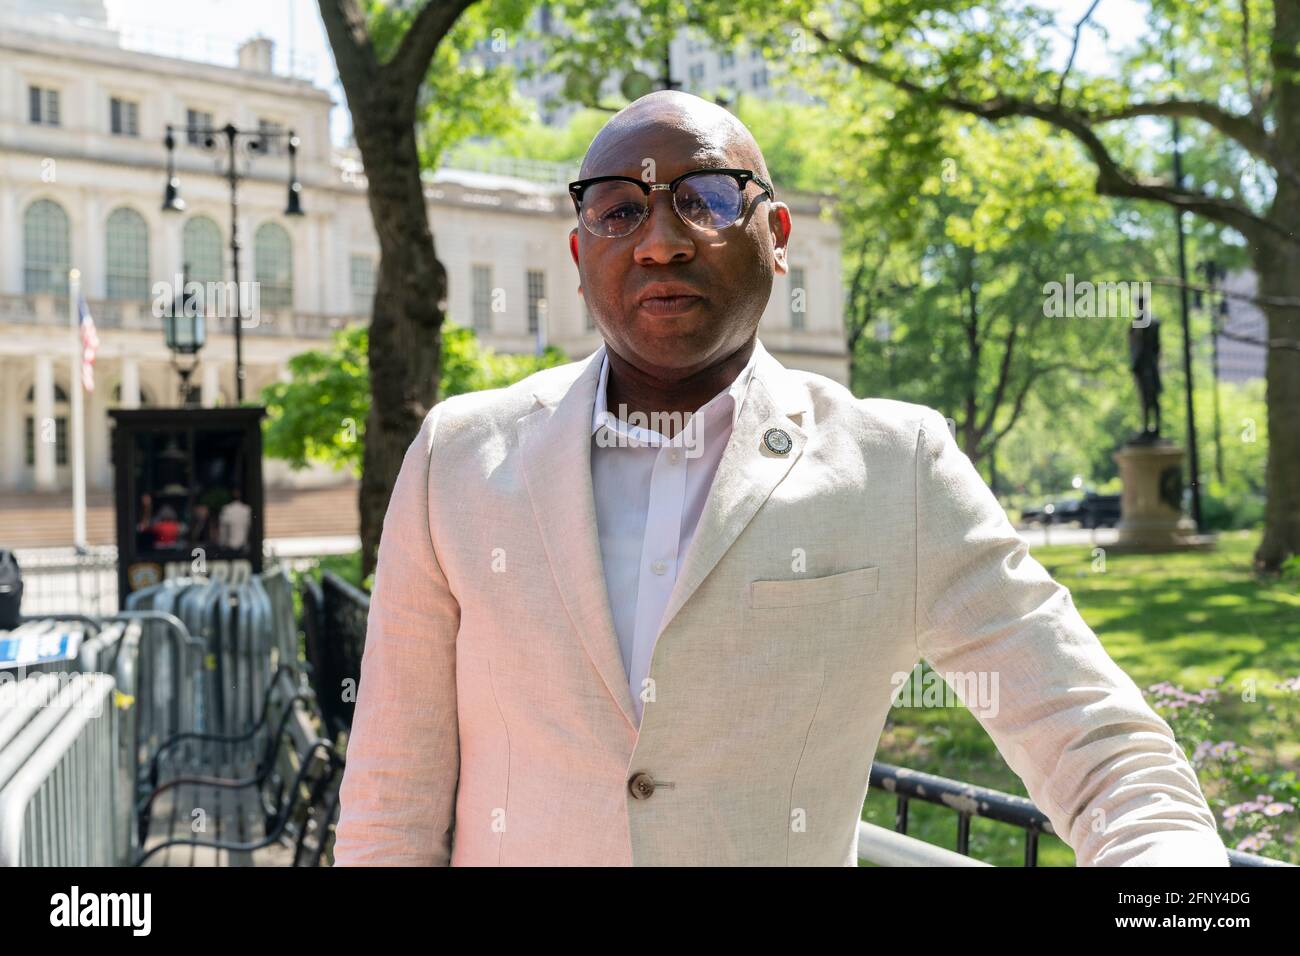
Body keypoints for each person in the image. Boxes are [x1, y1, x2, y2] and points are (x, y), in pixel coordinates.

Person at [334, 91, 1229, 867]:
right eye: (618, 211)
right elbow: (391, 799)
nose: (660, 242)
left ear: (778, 236)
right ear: (578, 256)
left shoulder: (897, 468)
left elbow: (1101, 747)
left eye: (707, 199)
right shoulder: (458, 457)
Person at [218, 487, 252, 553]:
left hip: (234, 547)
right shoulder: (246, 510)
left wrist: (222, 544)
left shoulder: (226, 509)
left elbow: (223, 531)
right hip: (239, 547)